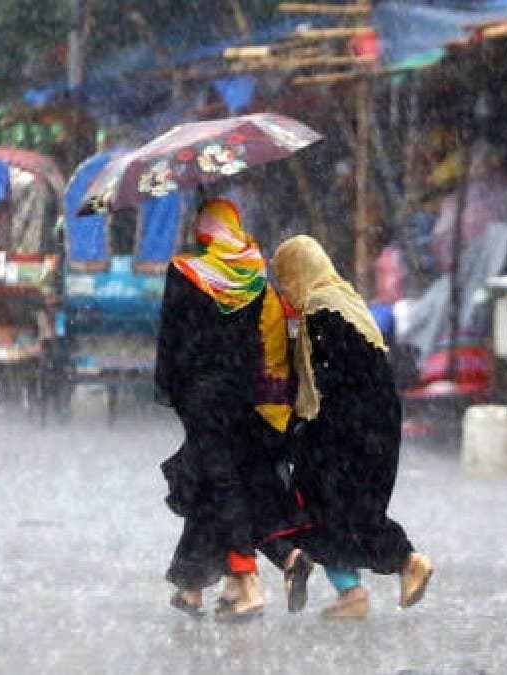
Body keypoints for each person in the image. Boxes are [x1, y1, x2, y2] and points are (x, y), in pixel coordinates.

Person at [154, 198, 313, 621]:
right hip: (240, 397)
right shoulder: (253, 274)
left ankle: (246, 577)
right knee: (211, 479)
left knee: (218, 483)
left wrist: (170, 390)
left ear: (203, 230)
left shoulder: (184, 272)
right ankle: (192, 584)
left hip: (200, 395)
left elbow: (171, 338)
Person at [271, 235, 433, 619]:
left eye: (286, 277)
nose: (285, 289)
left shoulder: (320, 311)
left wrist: (301, 431)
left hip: (345, 431)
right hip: (377, 424)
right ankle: (352, 591)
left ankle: (405, 561)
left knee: (327, 512)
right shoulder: (348, 302)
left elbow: (325, 381)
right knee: (342, 513)